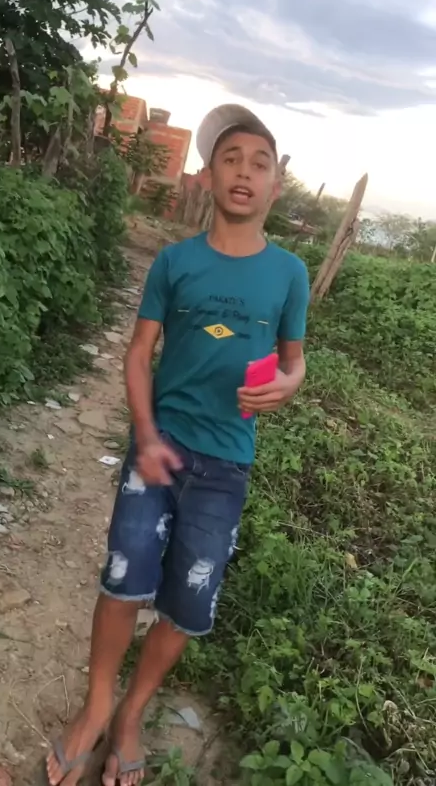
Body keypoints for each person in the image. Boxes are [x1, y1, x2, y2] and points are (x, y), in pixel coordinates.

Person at [46, 103, 310, 786]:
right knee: (123, 579)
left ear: (276, 184)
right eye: (231, 159)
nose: (244, 172)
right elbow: (139, 353)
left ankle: (131, 714)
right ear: (207, 176)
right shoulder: (175, 261)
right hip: (159, 447)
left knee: (189, 605)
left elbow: (295, 361)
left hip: (227, 465)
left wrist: (288, 384)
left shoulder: (289, 273)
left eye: (259, 163)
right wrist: (145, 435)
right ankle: (96, 707)